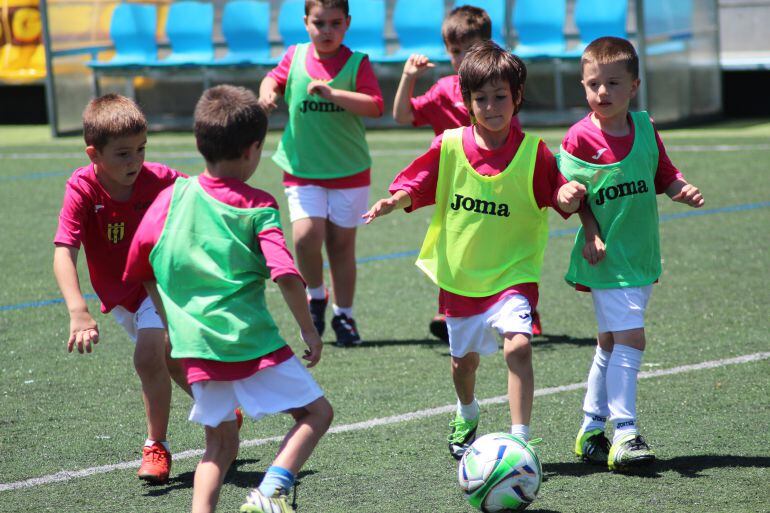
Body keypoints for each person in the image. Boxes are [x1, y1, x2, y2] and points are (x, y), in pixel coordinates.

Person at [364, 41, 587, 459]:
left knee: (518, 345)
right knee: (462, 365)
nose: (491, 106)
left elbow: (557, 195)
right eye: (480, 98)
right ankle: (467, 412)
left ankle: (520, 438)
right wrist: (395, 199)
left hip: (512, 275)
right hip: (461, 278)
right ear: (466, 102)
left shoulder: (533, 152)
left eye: (500, 96)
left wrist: (569, 194)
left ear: (517, 97)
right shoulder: (449, 145)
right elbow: (417, 182)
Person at [124, 85, 333, 513]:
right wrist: (309, 328)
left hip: (195, 348)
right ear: (253, 150)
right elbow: (287, 274)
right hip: (250, 342)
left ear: (201, 143)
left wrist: (170, 320)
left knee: (218, 446)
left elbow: (140, 266)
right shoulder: (257, 206)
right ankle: (269, 493)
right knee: (316, 413)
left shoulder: (170, 197)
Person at [561, 37, 704, 471]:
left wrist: (681, 190)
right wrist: (588, 228)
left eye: (612, 83)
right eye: (592, 84)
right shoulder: (580, 137)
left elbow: (661, 172)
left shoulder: (644, 126)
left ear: (634, 85)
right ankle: (625, 432)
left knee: (609, 342)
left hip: (641, 256)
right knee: (632, 339)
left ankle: (590, 429)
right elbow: (571, 193)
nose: (601, 92)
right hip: (607, 260)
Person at [53, 94, 191, 484]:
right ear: (93, 154)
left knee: (149, 356)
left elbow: (206, 196)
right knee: (171, 362)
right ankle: (220, 410)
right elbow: (65, 249)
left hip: (159, 283)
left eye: (142, 149)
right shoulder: (82, 188)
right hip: (119, 296)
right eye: (123, 154)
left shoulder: (163, 180)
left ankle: (156, 446)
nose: (135, 161)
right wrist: (77, 310)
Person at [392, 5, 544, 342]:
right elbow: (402, 115)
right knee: (454, 246)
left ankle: (524, 309)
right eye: (455, 51)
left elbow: (513, 144)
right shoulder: (444, 90)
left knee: (507, 247)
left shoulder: (498, 98)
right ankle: (447, 309)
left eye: (470, 51)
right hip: (457, 188)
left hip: (500, 187)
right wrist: (408, 76)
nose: (462, 60)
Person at [257, 0, 384, 347]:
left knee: (341, 246)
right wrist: (267, 94)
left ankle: (345, 315)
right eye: (319, 23)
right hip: (302, 168)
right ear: (306, 23)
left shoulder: (357, 62)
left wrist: (334, 93)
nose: (327, 30)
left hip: (349, 170)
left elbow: (375, 105)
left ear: (347, 23)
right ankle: (316, 295)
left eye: (335, 23)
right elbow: (273, 79)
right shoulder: (296, 55)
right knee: (304, 238)